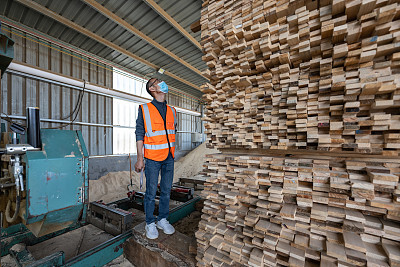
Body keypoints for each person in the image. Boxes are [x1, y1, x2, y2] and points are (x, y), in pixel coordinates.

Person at [134, 78, 176, 239]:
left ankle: (162, 219)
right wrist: (140, 158)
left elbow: (173, 132)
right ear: (152, 88)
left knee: (166, 191)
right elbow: (139, 134)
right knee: (151, 193)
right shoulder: (144, 109)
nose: (163, 82)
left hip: (169, 157)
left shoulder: (172, 110)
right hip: (152, 158)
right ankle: (150, 222)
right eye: (158, 81)